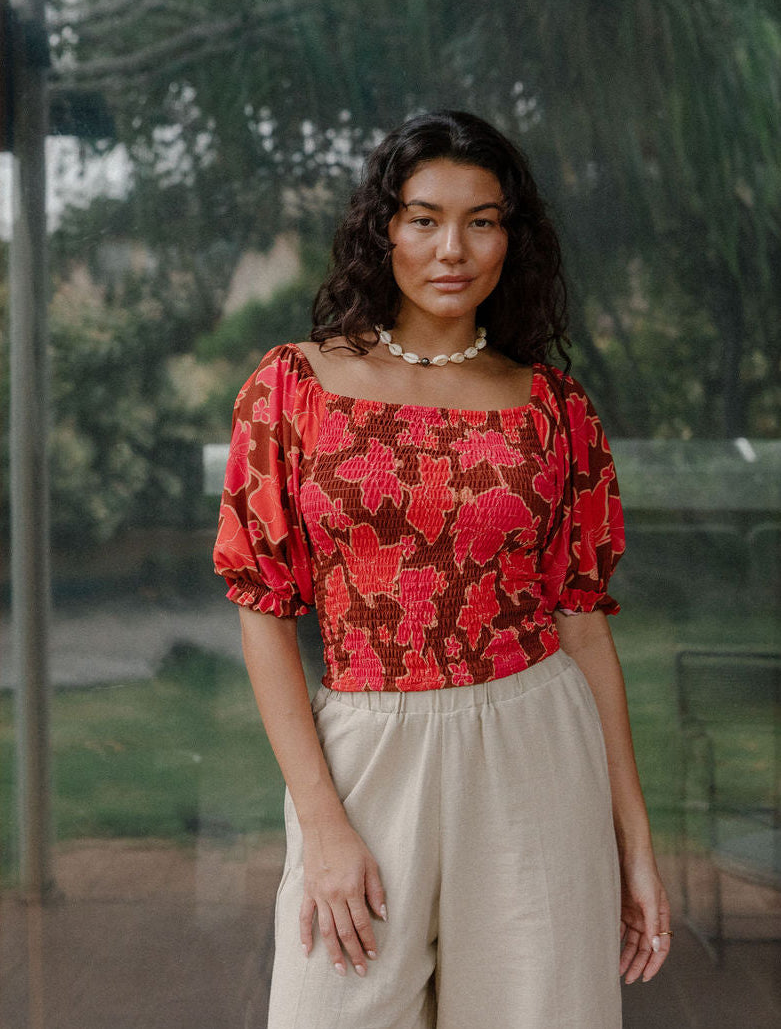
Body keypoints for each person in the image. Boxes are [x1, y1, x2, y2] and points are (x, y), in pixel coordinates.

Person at [213, 110, 671, 1029]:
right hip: (366, 753)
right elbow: (261, 608)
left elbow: (581, 623)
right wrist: (322, 824)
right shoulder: (293, 387)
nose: (451, 248)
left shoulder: (553, 408)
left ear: (512, 236)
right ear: (383, 229)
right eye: (423, 218)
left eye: (482, 220)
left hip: (536, 747)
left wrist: (635, 841)